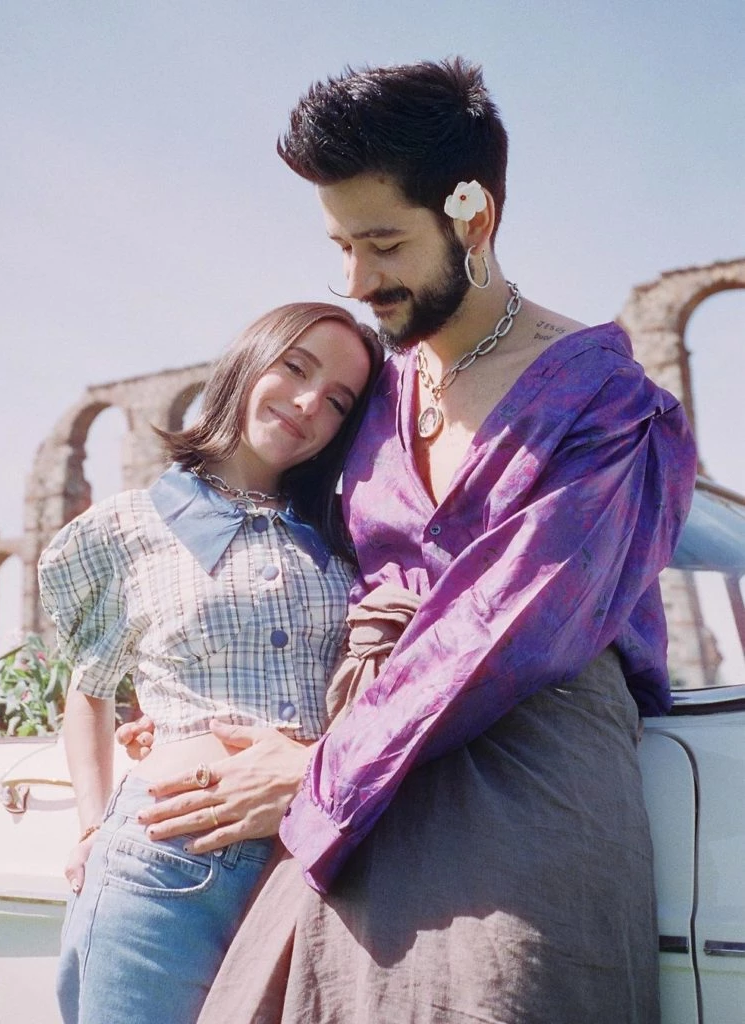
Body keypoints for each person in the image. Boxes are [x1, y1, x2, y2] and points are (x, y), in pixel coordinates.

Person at [125, 59, 697, 1023]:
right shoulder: (368, 393)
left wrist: (320, 772)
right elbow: (277, 544)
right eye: (341, 245)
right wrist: (184, 689)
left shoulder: (606, 406)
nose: (356, 282)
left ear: (472, 216)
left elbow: (510, 624)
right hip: (346, 759)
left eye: (384, 244)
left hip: (523, 777)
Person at [37, 301, 382, 1024]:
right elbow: (90, 690)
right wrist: (93, 826)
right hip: (166, 867)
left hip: (312, 866)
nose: (307, 403)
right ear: (247, 362)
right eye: (295, 367)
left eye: (338, 401)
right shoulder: (129, 524)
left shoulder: (346, 536)